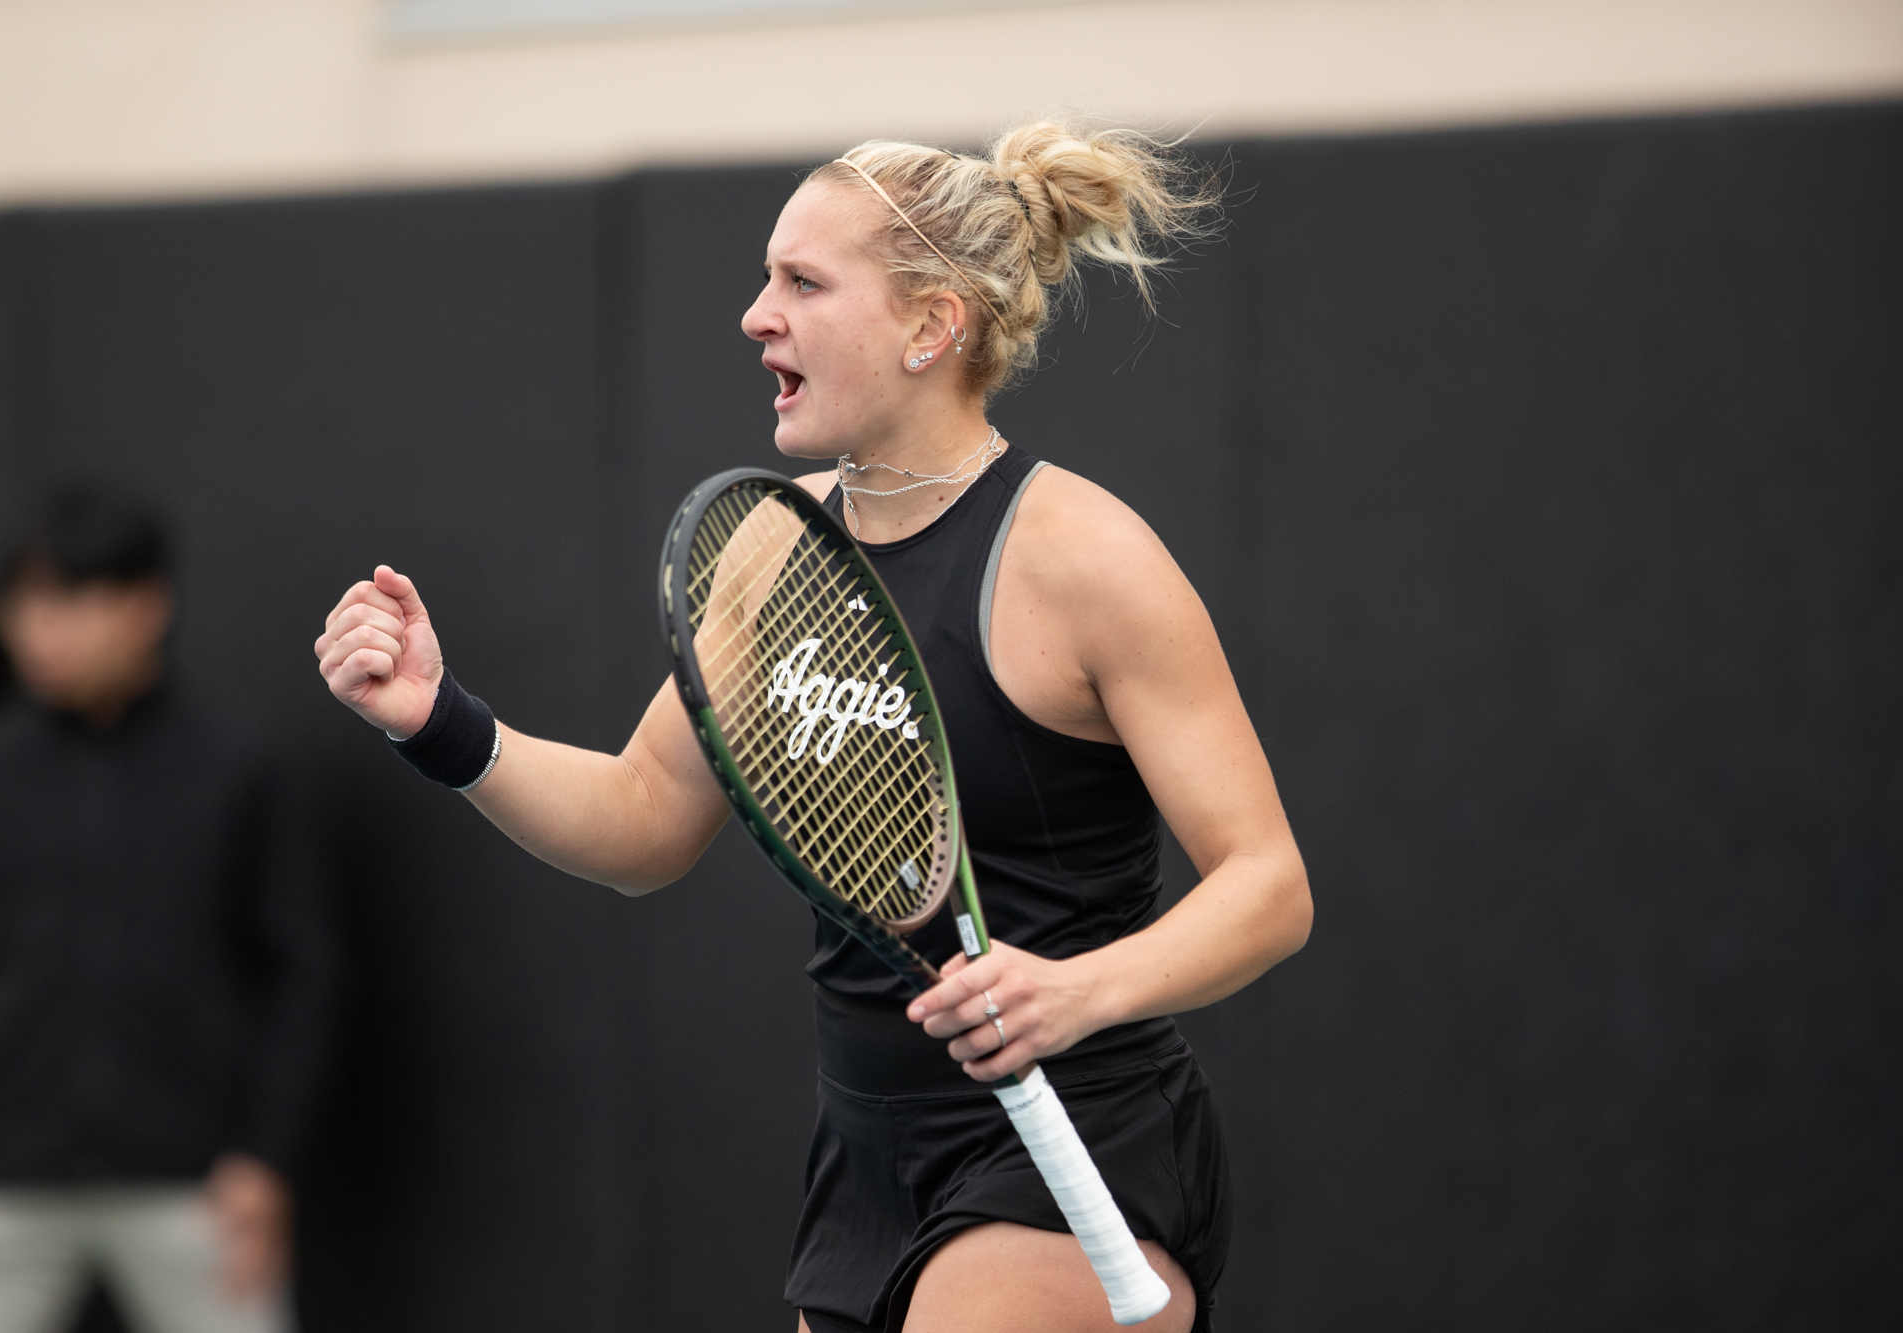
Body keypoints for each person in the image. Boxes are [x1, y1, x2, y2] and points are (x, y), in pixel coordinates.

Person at [313, 121, 1312, 1333]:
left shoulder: (1084, 558)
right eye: (763, 276)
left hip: (1075, 1132)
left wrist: (1073, 990)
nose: (753, 314)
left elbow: (1266, 885)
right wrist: (440, 722)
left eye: (801, 281)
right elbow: (641, 821)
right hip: (861, 1158)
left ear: (929, 325)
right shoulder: (775, 545)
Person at [0, 487, 332, 1333]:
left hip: (197, 1185)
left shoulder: (237, 764)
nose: (42, 629)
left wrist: (263, 1156)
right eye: (24, 603)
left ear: (146, 605)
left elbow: (301, 972)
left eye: (72, 599)